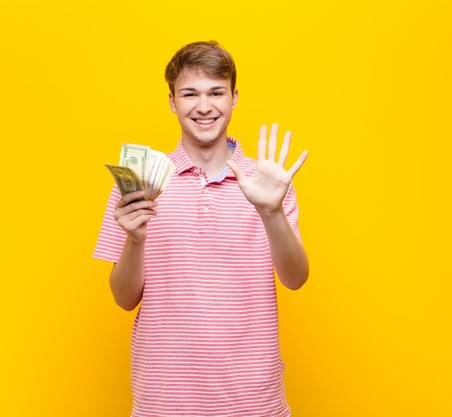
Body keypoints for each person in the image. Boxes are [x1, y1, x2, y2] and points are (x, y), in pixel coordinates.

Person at [93, 40, 309, 417]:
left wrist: (271, 211)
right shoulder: (139, 182)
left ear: (234, 97)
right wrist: (135, 238)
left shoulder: (268, 182)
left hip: (253, 401)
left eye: (216, 92)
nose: (204, 106)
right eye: (190, 93)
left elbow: (296, 279)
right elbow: (123, 299)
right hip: (163, 401)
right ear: (172, 101)